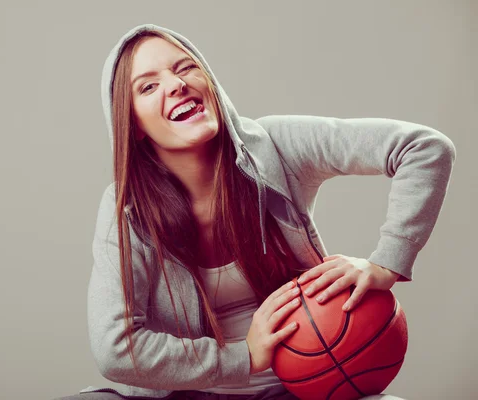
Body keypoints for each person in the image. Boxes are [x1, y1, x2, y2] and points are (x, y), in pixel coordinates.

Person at [60, 24, 456, 400]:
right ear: (134, 124)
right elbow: (115, 347)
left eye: (186, 68)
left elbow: (424, 148)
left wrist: (388, 261)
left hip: (296, 389)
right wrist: (243, 357)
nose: (177, 84)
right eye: (148, 86)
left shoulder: (277, 146)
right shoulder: (128, 210)